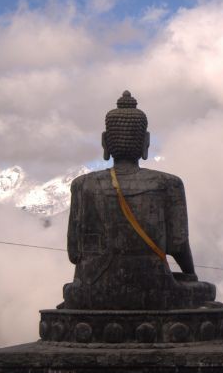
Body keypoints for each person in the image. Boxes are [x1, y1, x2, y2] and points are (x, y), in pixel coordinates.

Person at [63, 91, 215, 310]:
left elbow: (74, 253)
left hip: (91, 291)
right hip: (157, 289)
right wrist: (190, 275)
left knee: (70, 291)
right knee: (207, 290)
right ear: (146, 142)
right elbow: (178, 245)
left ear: (105, 142)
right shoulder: (167, 184)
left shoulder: (82, 185)